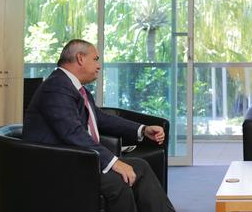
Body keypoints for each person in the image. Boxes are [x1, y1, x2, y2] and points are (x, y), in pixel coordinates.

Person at [23, 39, 175, 212]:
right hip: (59, 166)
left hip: (80, 161)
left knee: (141, 166)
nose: (99, 66)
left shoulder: (75, 88)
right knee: (120, 182)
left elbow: (100, 118)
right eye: (95, 59)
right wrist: (114, 162)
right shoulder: (56, 87)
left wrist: (142, 129)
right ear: (80, 58)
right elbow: (72, 133)